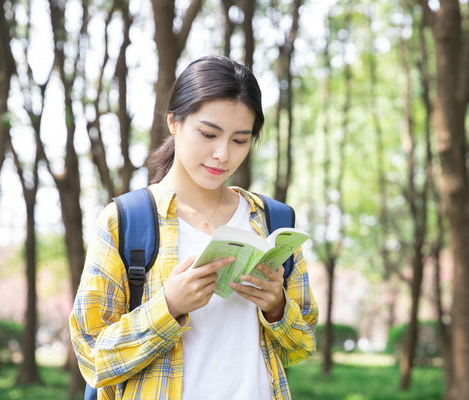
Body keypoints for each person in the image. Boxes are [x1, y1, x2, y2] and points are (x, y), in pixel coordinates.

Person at [69, 55, 318, 400]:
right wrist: (168, 306)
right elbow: (93, 358)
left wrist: (275, 307)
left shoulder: (271, 220)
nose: (222, 154)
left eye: (239, 140)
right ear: (174, 121)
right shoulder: (124, 221)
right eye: (208, 133)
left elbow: (301, 346)